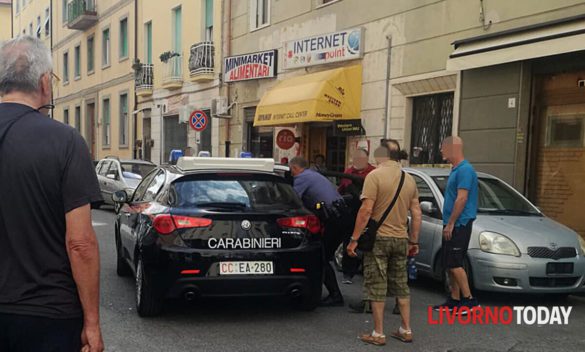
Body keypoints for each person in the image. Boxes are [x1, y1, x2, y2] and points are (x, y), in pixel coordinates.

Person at [0, 36, 104, 351]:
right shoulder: (65, 141)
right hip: (49, 319)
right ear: (45, 83)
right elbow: (80, 243)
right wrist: (92, 323)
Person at [347, 146, 422, 346]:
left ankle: (378, 333)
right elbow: (416, 213)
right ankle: (406, 329)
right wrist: (414, 241)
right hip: (401, 238)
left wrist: (354, 239)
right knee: (401, 284)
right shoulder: (410, 179)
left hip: (379, 239)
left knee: (377, 285)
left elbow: (366, 210)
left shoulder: (374, 176)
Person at [289, 156, 348, 306]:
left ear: (295, 168)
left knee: (322, 257)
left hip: (333, 219)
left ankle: (335, 295)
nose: (291, 173)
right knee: (324, 256)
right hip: (341, 215)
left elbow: (292, 200)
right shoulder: (314, 175)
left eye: (291, 170)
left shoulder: (301, 178)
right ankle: (332, 293)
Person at [432, 136, 479, 312]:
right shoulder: (455, 170)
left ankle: (469, 300)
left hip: (459, 224)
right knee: (449, 264)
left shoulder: (465, 170)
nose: (442, 151)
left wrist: (451, 223)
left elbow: (462, 198)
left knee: (455, 263)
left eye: (444, 148)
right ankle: (454, 299)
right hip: (451, 223)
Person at [338, 148, 375, 284]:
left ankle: (368, 271)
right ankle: (348, 273)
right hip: (351, 213)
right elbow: (341, 190)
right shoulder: (348, 172)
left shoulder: (373, 173)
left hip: (369, 212)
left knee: (368, 242)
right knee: (348, 241)